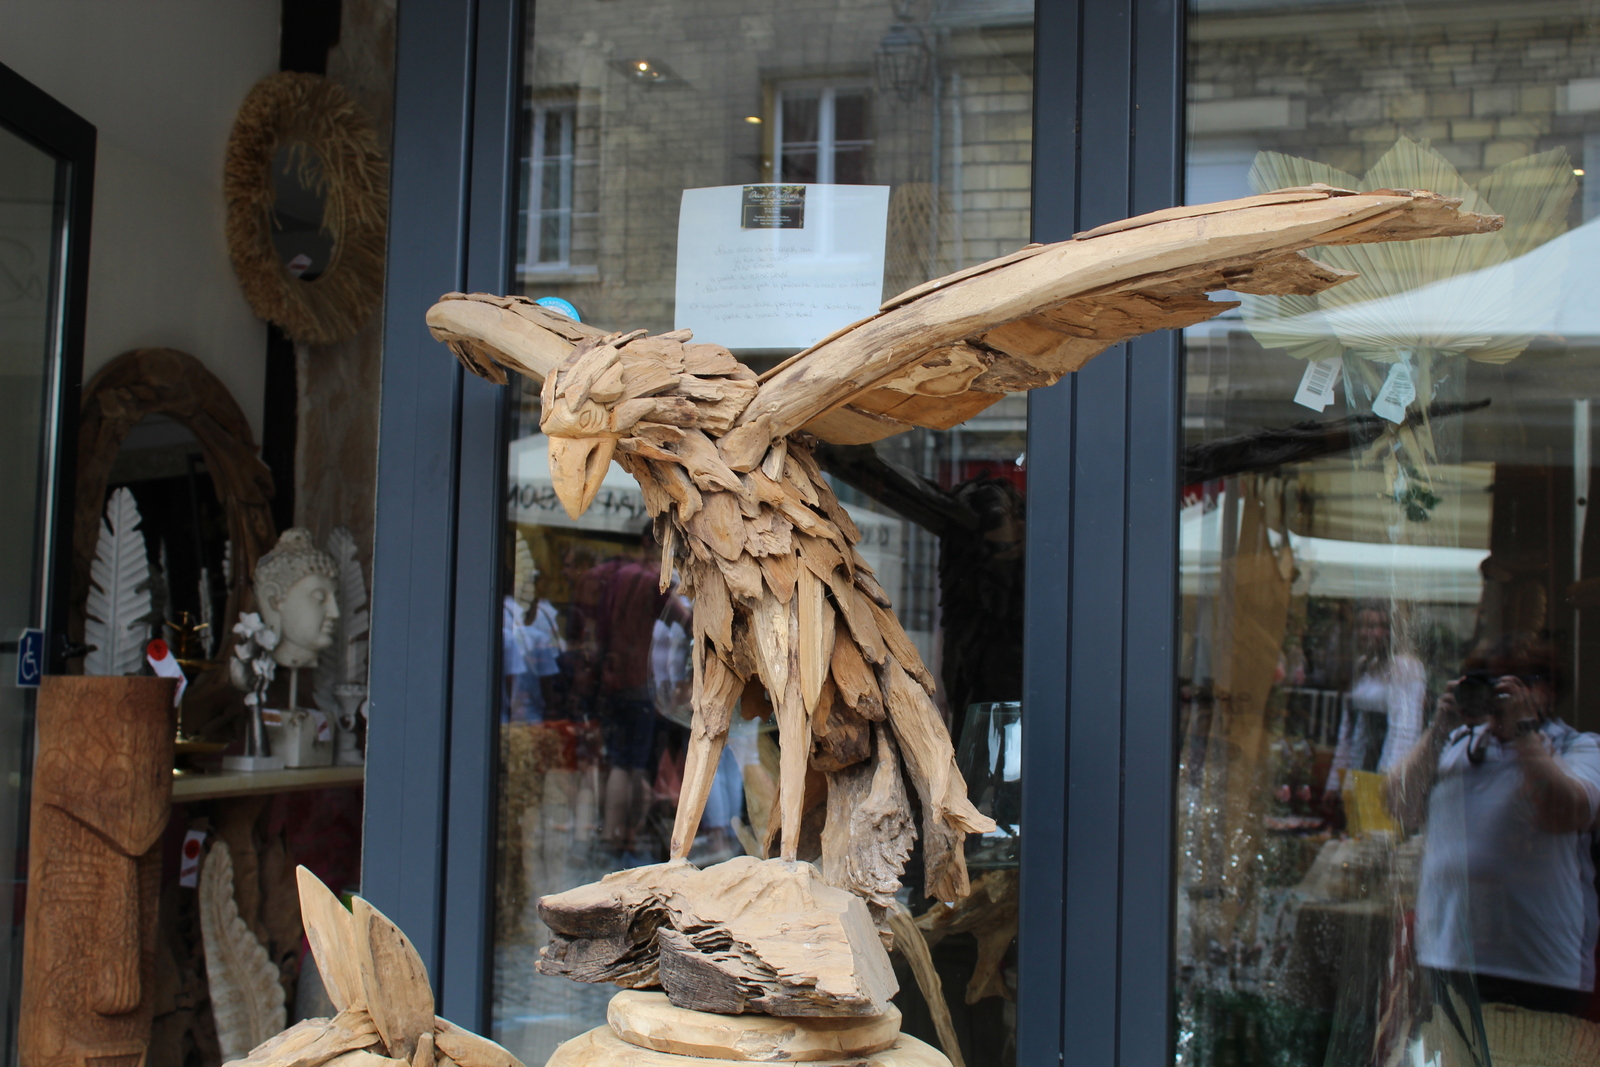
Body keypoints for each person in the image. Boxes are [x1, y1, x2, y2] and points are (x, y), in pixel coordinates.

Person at [1386, 634, 1600, 1016]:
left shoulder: (1577, 747)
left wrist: (1523, 731)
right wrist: (1439, 727)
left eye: (1515, 682)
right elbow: (1397, 805)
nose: (1500, 694)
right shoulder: (1456, 744)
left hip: (1539, 967)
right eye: (1488, 681)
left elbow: (1563, 813)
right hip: (1446, 955)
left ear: (1548, 690)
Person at [1325, 603, 1427, 799]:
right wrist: (1335, 783)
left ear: (1390, 631)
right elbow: (1348, 731)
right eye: (1361, 626)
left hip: (1385, 778)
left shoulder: (1406, 667)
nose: (1365, 633)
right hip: (1359, 775)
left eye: (1373, 626)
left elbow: (1404, 731)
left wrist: (1387, 781)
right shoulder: (1363, 665)